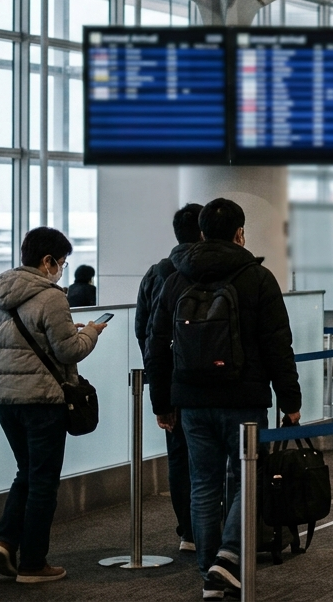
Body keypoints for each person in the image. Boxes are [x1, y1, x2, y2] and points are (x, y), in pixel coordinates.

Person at [145, 198, 300, 598]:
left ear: (201, 232)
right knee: (248, 479)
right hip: (243, 398)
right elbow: (277, 344)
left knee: (204, 484)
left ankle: (208, 572)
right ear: (240, 233)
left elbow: (156, 343)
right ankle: (227, 558)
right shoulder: (256, 277)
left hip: (191, 400)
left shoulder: (177, 278)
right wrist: (290, 399)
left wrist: (161, 402)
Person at [0, 227, 106, 583]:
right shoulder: (51, 297)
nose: (61, 270)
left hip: (6, 399)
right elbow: (69, 350)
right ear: (47, 261)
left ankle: (6, 541)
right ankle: (33, 563)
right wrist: (91, 333)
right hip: (42, 400)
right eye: (61, 263)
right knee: (43, 481)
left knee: (26, 471)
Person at [134, 203, 203, 555]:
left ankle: (188, 531)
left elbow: (144, 333)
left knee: (179, 458)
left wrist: (159, 394)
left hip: (172, 381)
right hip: (209, 380)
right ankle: (216, 527)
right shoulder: (213, 271)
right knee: (216, 454)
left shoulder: (157, 273)